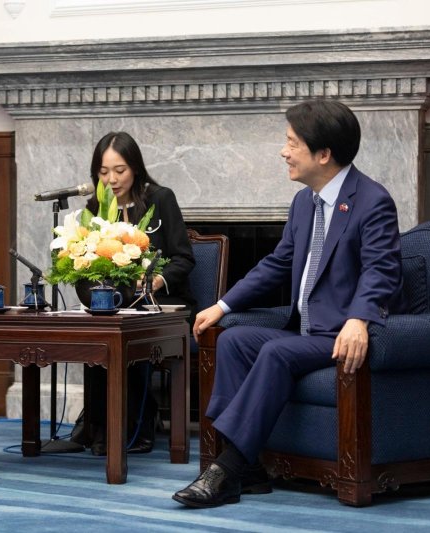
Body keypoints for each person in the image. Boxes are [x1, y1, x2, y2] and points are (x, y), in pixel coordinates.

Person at [172, 99, 402, 508]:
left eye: (292, 143)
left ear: (324, 154)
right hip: (306, 330)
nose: (284, 152)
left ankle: (226, 470)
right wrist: (222, 306)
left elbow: (381, 270)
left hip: (339, 334)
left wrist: (359, 319)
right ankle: (250, 469)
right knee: (233, 340)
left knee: (277, 351)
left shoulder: (372, 200)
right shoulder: (304, 203)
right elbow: (277, 264)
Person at [79, 131, 196, 456]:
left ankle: (137, 428)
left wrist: (157, 279)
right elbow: (89, 259)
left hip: (163, 303)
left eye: (120, 171)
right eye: (104, 173)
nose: (112, 179)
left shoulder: (161, 198)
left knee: (131, 333)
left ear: (136, 168)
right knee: (98, 334)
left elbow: (184, 257)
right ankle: (99, 426)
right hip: (117, 304)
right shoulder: (96, 206)